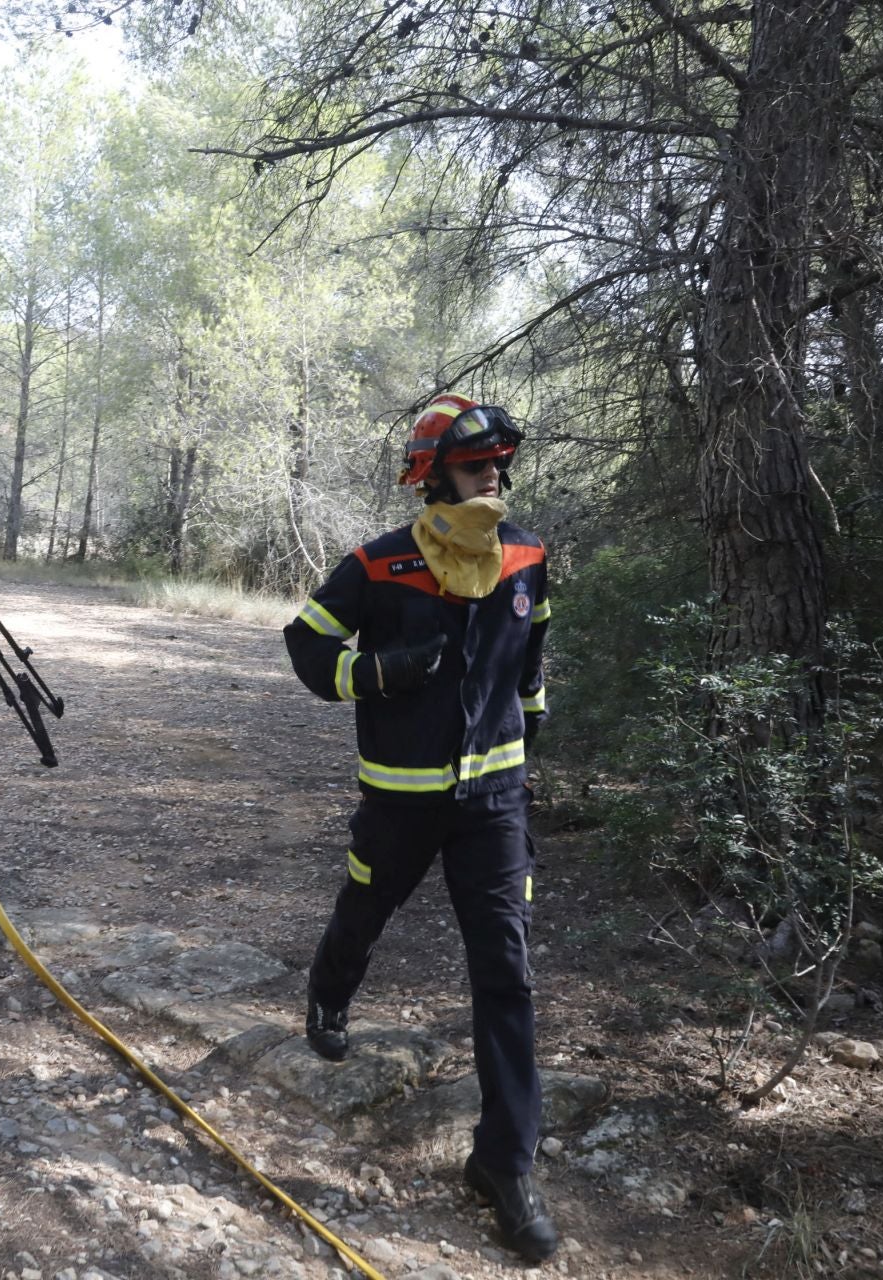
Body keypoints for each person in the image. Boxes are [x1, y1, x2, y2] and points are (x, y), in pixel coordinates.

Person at [282, 392, 554, 1261]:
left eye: (500, 460)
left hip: (495, 806)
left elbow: (532, 662)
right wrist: (381, 673)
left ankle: (505, 1164)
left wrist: (526, 729)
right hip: (400, 798)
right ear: (434, 472)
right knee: (368, 902)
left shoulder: (525, 558)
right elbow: (306, 645)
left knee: (506, 969)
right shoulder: (380, 563)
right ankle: (329, 991)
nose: (495, 471)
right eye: (478, 460)